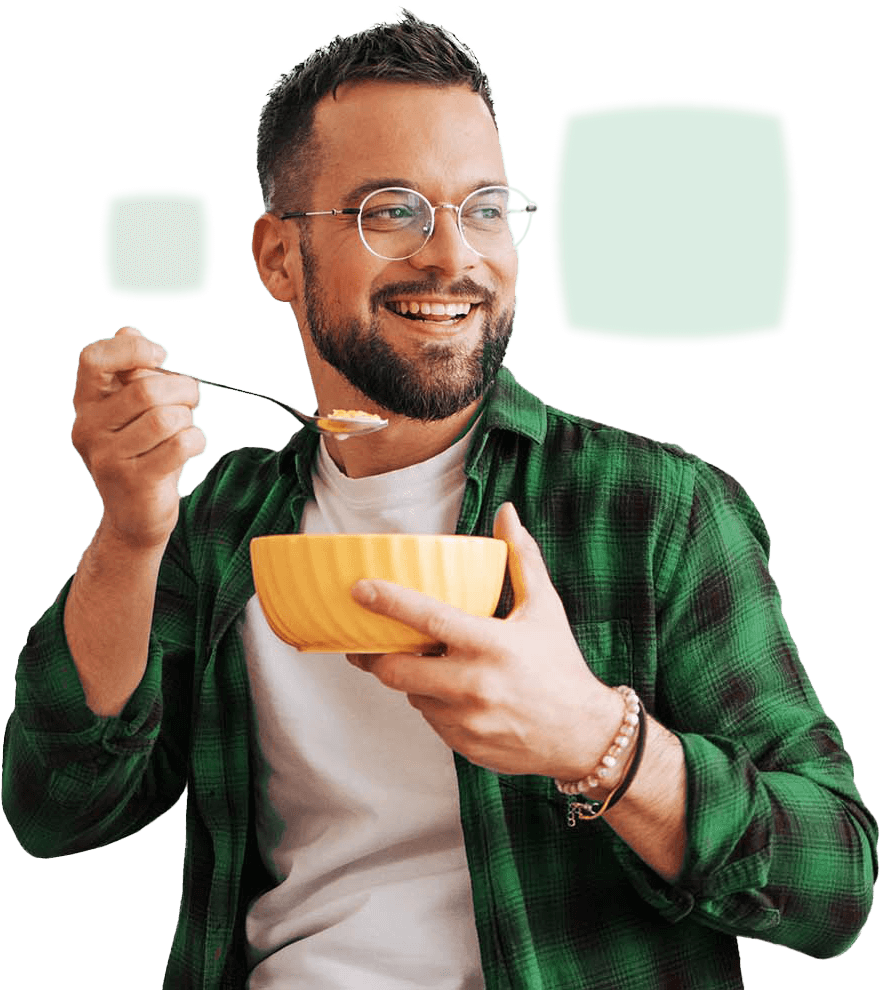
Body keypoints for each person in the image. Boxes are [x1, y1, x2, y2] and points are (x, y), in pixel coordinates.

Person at [3, 8, 877, 989]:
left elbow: (832, 884)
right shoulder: (219, 521)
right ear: (277, 256)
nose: (453, 257)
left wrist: (599, 743)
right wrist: (129, 531)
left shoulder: (654, 509)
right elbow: (56, 806)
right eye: (390, 210)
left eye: (485, 207)